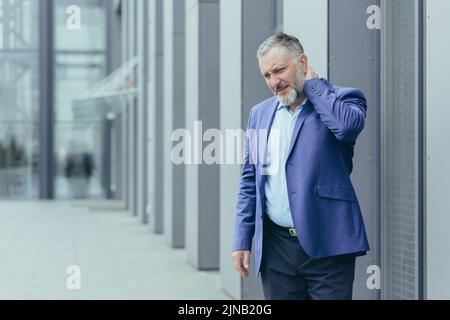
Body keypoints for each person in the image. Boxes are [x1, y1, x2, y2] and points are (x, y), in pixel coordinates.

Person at [231, 33, 369, 300]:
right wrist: (242, 238)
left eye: (280, 70)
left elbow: (347, 127)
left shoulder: (341, 99)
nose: (274, 82)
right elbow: (250, 179)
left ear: (302, 62)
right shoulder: (259, 114)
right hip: (276, 249)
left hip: (328, 244)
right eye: (267, 75)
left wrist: (315, 87)